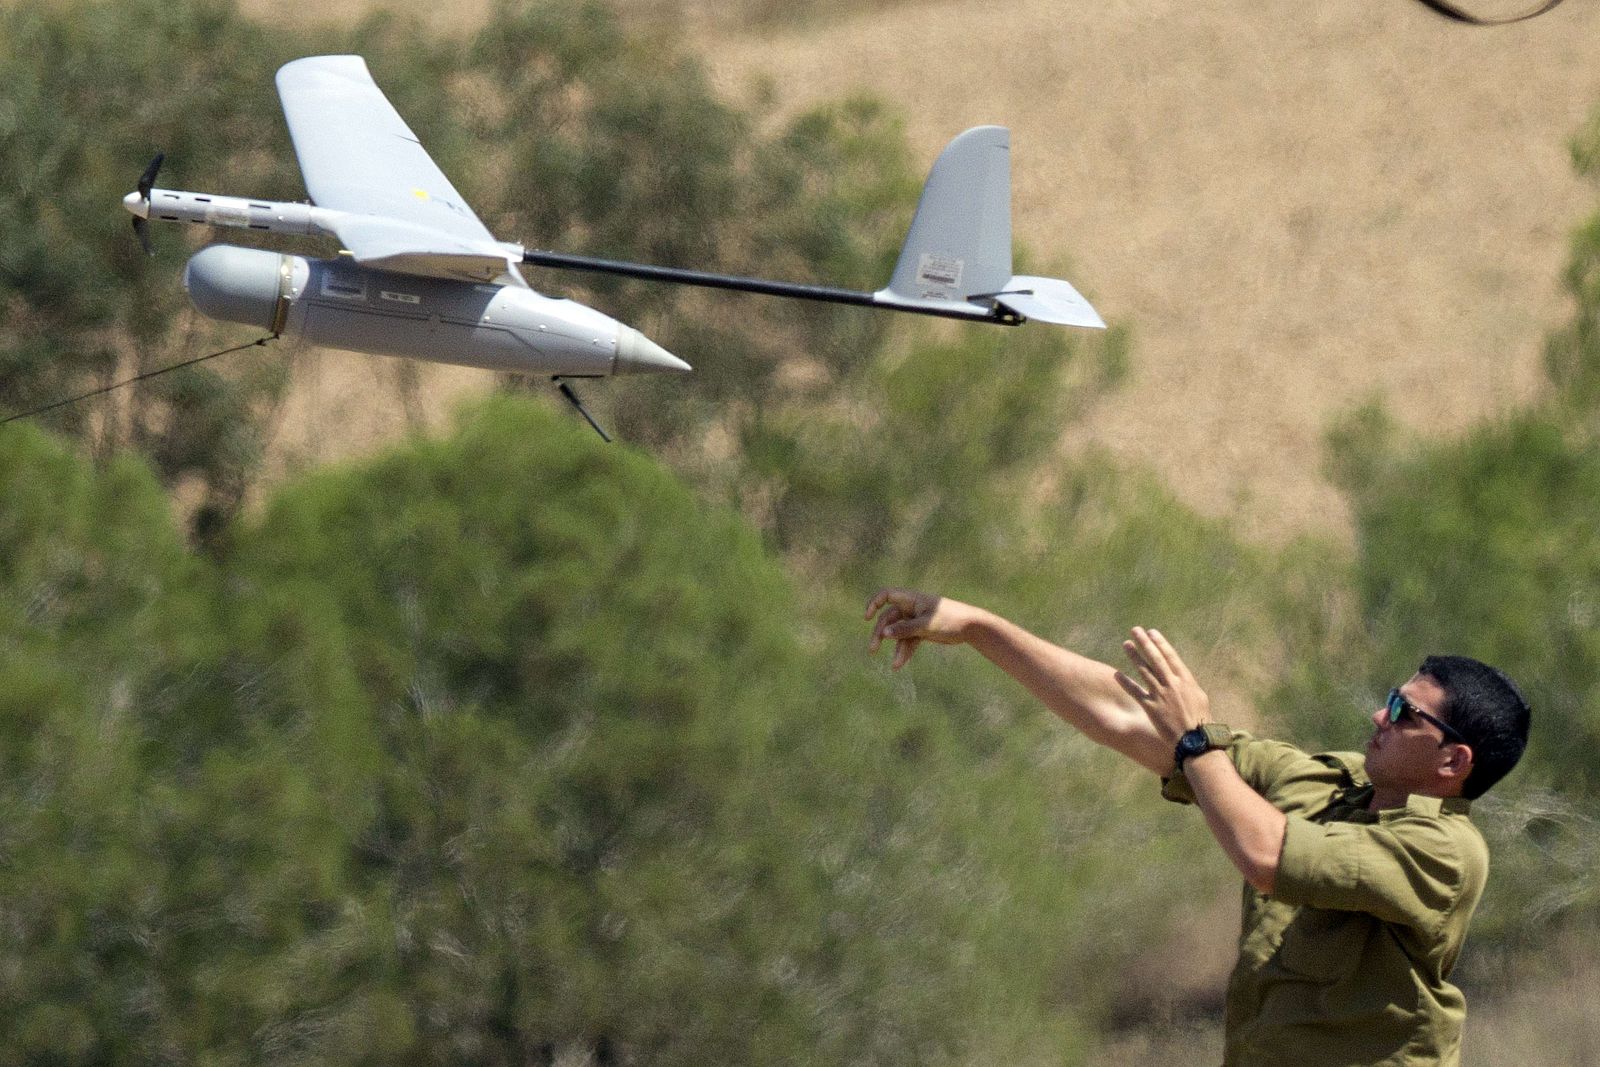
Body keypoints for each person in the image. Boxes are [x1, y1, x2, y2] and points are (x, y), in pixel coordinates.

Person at [864, 588, 1531, 1067]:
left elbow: (1266, 852)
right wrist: (980, 627)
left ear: (1453, 760)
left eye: (1406, 714)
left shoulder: (1446, 851)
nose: (1382, 718)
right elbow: (1133, 719)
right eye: (1391, 700)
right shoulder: (1326, 781)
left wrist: (1194, 738)